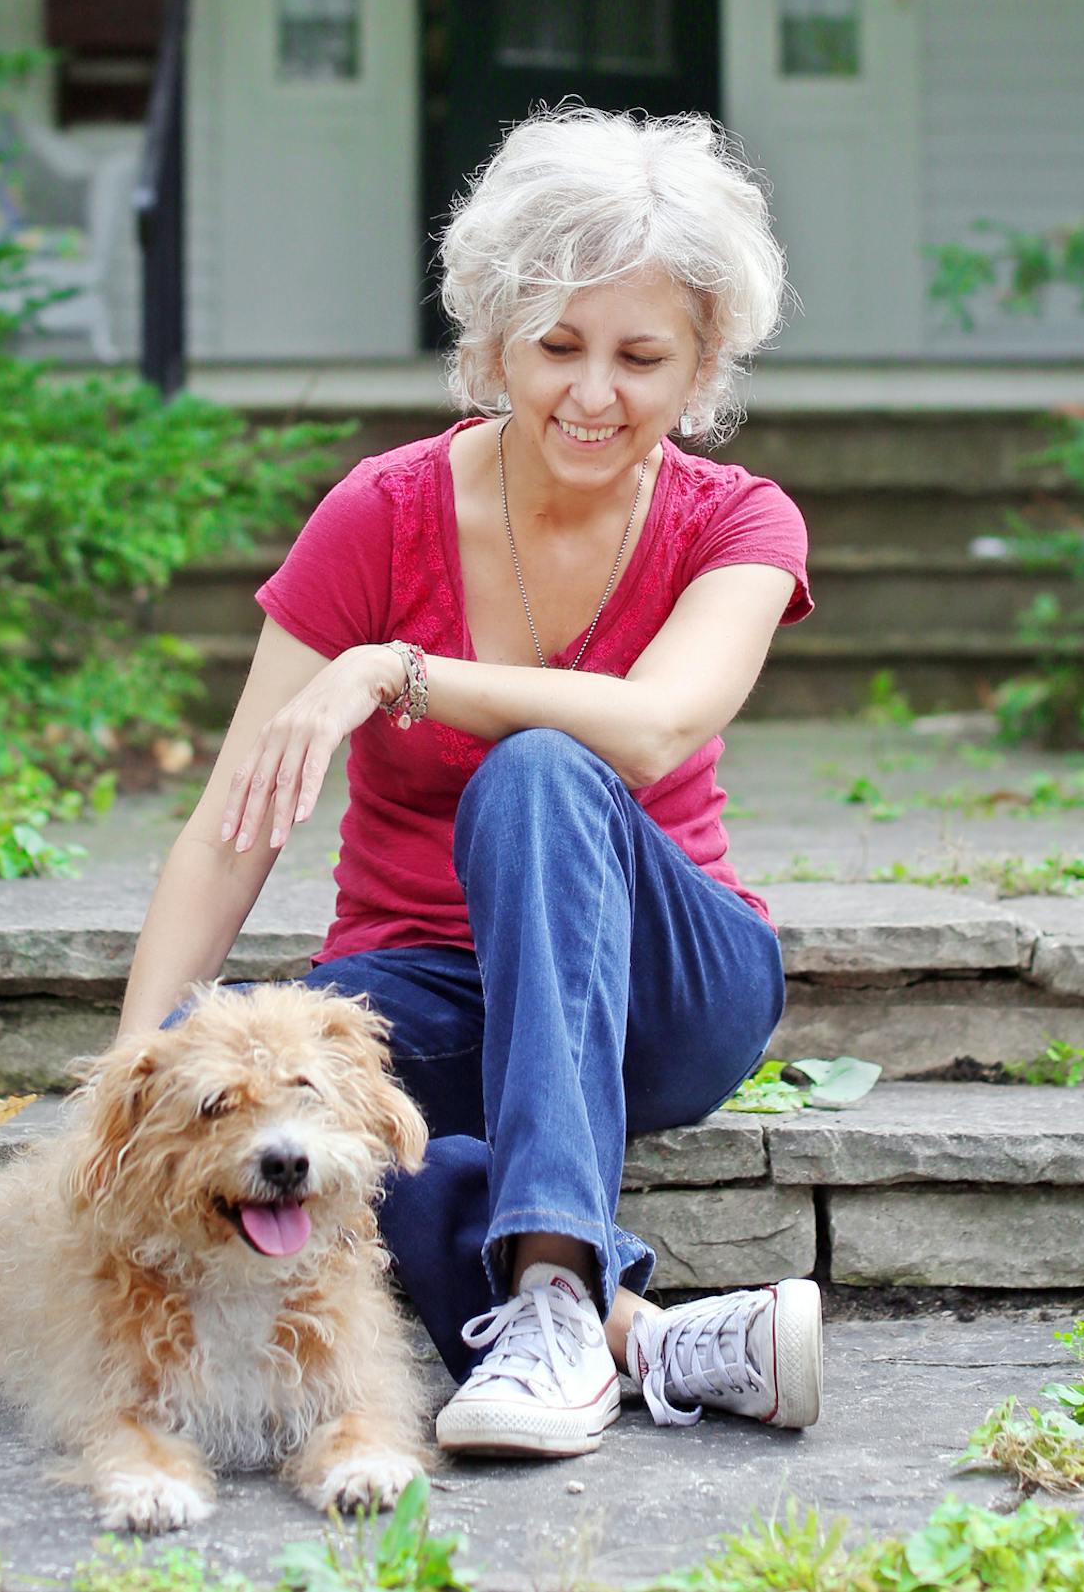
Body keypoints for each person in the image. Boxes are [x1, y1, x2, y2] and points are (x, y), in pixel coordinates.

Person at [118, 103, 821, 1460]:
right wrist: (140, 1055)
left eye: (641, 355)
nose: (592, 391)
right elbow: (233, 822)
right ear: (493, 337)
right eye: (557, 345)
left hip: (667, 992)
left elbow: (657, 726)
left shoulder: (739, 519)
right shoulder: (378, 513)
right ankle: (649, 1340)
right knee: (291, 1098)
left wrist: (399, 671)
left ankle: (553, 1289)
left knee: (545, 767)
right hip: (429, 989)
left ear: (703, 366)